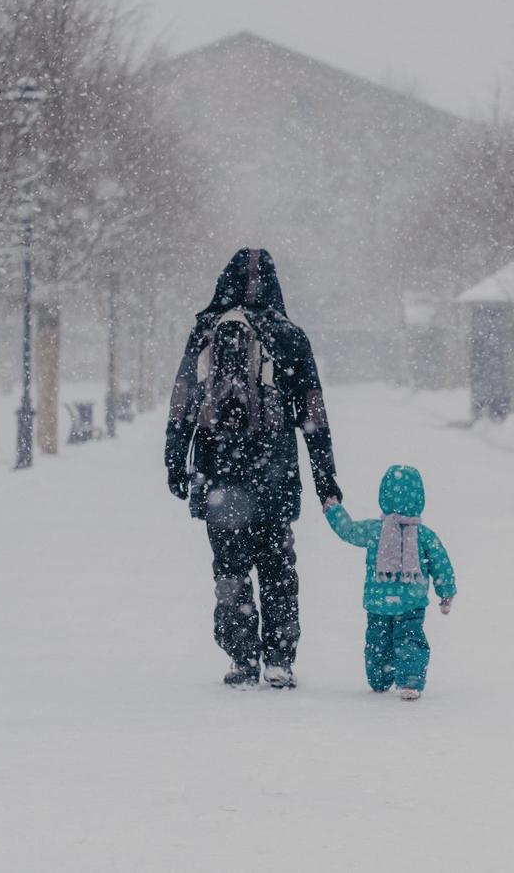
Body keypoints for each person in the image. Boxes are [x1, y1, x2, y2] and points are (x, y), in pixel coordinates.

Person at [165, 248, 342, 688]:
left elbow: (183, 400)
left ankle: (241, 658)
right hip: (274, 477)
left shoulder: (206, 330)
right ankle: (279, 660)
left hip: (218, 473)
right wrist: (325, 481)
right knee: (278, 570)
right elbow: (313, 415)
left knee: (229, 570)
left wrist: (175, 460)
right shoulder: (290, 336)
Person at [323, 465, 456, 701]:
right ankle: (410, 681)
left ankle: (379, 677)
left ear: (383, 495)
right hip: (411, 601)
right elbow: (440, 563)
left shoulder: (376, 530)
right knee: (410, 641)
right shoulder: (424, 535)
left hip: (379, 603)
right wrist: (446, 592)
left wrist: (335, 511)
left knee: (377, 643)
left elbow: (349, 531)